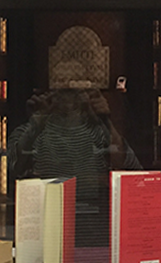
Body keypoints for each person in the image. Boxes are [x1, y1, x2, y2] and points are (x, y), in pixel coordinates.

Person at [8, 86, 141, 245]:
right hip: (44, 216)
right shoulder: (32, 130)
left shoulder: (98, 131)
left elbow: (131, 169)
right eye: (61, 91)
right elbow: (14, 169)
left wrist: (103, 119)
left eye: (75, 93)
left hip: (93, 219)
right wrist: (37, 121)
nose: (68, 100)